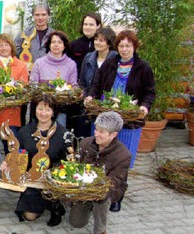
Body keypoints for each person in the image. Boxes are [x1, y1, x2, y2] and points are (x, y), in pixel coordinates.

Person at [84, 30, 155, 212]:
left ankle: (116, 195)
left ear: (134, 47)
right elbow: (96, 84)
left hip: (129, 121)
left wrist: (144, 107)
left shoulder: (143, 68)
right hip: (106, 119)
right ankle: (95, 191)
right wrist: (91, 96)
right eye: (121, 45)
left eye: (128, 46)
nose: (124, 49)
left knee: (123, 158)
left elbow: (149, 92)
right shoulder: (109, 64)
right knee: (100, 154)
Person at [0, 94, 68, 226]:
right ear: (34, 110)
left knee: (49, 194)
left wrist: (55, 176)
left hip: (52, 179)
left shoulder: (62, 133)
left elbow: (66, 161)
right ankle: (43, 201)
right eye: (40, 109)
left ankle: (55, 204)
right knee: (29, 216)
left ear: (54, 112)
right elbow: (16, 155)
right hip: (31, 179)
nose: (43, 113)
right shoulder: (25, 132)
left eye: (48, 110)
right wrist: (7, 164)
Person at [69, 111, 131, 234]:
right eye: (96, 130)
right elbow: (76, 167)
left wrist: (95, 189)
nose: (96, 134)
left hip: (107, 189)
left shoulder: (123, 155)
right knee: (77, 223)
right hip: (84, 186)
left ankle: (100, 229)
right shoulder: (85, 143)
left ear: (113, 134)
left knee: (102, 199)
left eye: (101, 132)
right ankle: (86, 205)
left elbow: (113, 183)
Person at [74, 27, 117, 138]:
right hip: (88, 103)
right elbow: (82, 81)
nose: (97, 42)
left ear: (109, 43)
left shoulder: (115, 59)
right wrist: (86, 96)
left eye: (101, 40)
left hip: (107, 104)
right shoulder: (88, 58)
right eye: (96, 39)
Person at [30, 30, 78, 127]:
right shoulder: (39, 63)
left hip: (61, 109)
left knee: (58, 137)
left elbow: (74, 85)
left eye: (59, 42)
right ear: (49, 45)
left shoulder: (71, 64)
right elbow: (32, 84)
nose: (56, 45)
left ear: (64, 46)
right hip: (41, 109)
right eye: (53, 42)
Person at [14, 3, 54, 70]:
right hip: (27, 74)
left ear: (48, 16)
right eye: (37, 15)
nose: (40, 18)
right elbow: (14, 52)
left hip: (48, 74)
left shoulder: (54, 35)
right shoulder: (24, 34)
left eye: (43, 15)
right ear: (33, 16)